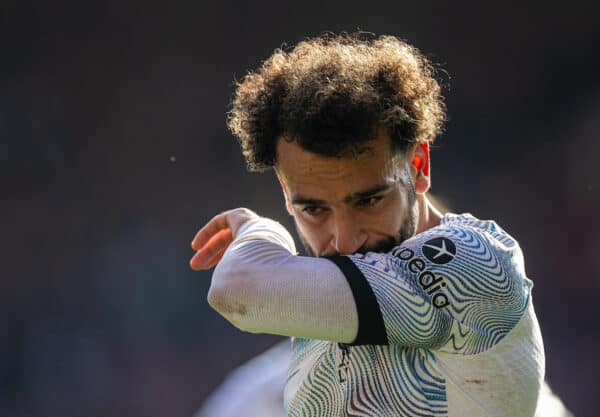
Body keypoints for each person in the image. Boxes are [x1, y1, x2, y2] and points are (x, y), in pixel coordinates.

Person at [190, 34, 550, 416]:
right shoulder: (323, 317)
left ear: (419, 166)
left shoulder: (478, 264)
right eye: (314, 210)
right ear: (284, 188)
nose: (345, 240)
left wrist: (259, 232)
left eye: (369, 201)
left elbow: (238, 288)